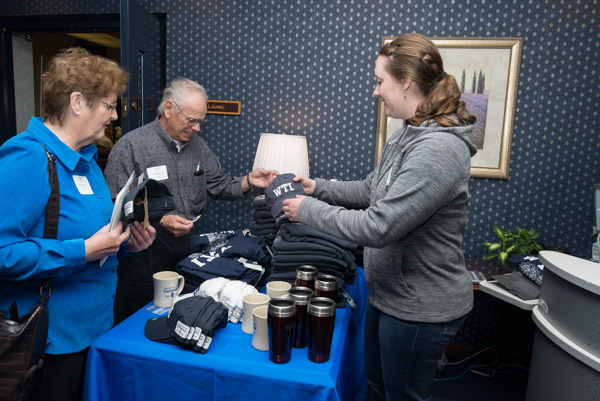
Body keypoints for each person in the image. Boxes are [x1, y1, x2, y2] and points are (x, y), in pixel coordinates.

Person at [282, 33, 477, 401]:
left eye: (379, 81)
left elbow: (379, 225)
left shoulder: (439, 149)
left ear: (406, 83)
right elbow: (371, 190)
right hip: (389, 295)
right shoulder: (408, 133)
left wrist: (305, 210)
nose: (374, 91)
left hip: (420, 307)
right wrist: (315, 187)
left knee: (400, 396)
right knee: (376, 388)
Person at [0, 47, 156, 401]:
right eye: (109, 105)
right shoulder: (27, 157)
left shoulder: (86, 161)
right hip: (48, 344)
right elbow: (3, 252)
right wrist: (82, 251)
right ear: (77, 102)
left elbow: (95, 239)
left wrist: (125, 244)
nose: (115, 116)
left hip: (95, 331)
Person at [104, 77, 278, 324]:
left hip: (185, 250)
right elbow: (116, 204)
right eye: (192, 120)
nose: (197, 128)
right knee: (138, 319)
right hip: (143, 250)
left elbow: (219, 185)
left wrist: (250, 180)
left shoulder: (198, 147)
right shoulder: (131, 146)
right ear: (168, 109)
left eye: (201, 121)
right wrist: (161, 220)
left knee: (180, 315)